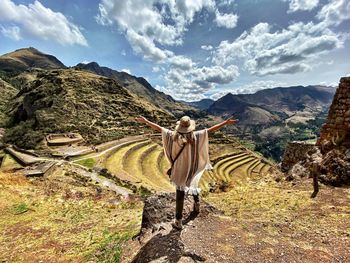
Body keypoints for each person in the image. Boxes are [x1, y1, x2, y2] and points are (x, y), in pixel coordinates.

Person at [135, 115, 238, 230]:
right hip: (191, 165)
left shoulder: (171, 136)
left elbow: (159, 128)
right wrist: (225, 122)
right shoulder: (196, 136)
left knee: (180, 192)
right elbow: (211, 130)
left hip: (179, 167)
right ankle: (197, 204)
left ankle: (178, 221)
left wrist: (146, 121)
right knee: (193, 182)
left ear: (179, 127)